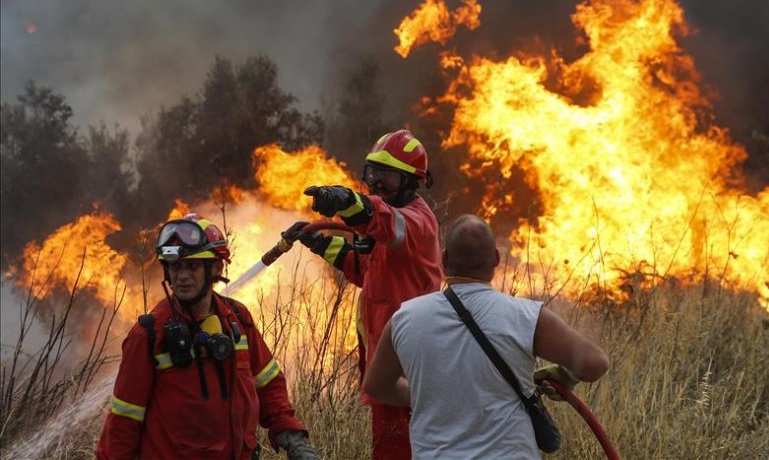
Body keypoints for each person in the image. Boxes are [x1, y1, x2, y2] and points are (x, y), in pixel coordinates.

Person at [363, 214, 610, 459]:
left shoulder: (406, 317)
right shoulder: (525, 316)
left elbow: (377, 386)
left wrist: (430, 392)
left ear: (445, 259)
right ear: (496, 259)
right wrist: (566, 376)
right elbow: (595, 364)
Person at [96, 213, 319, 460]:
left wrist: (293, 437)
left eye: (191, 266)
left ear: (215, 268)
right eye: (175, 266)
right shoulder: (149, 335)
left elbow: (268, 384)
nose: (181, 276)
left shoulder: (237, 319)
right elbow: (124, 421)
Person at [284, 129, 442, 459]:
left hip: (410, 362)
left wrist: (344, 200)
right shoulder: (384, 229)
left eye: (389, 177)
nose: (379, 183)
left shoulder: (415, 222)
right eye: (373, 174)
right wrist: (320, 243)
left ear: (412, 182)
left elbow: (380, 218)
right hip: (386, 359)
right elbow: (366, 269)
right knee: (389, 446)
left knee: (407, 448)